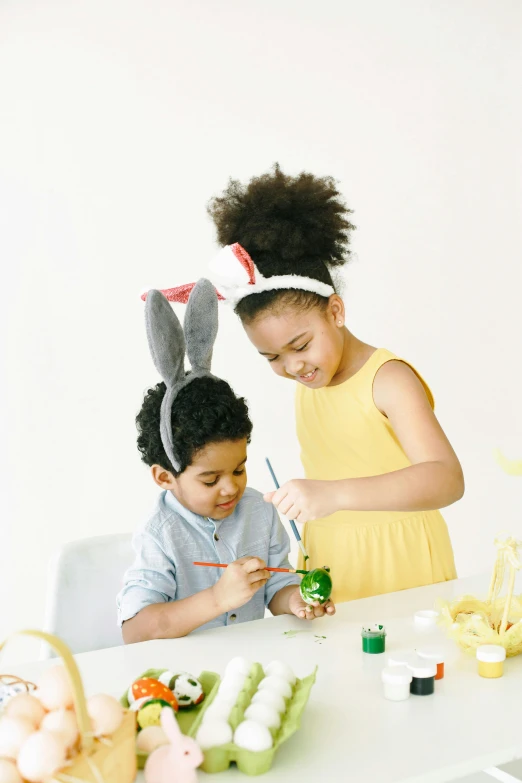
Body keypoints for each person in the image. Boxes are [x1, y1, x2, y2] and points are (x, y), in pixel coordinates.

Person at [156, 166, 464, 603]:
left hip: (401, 565)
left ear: (335, 311)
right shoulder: (310, 384)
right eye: (272, 358)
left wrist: (334, 494)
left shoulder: (388, 379)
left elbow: (447, 479)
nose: (292, 366)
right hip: (333, 562)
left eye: (299, 345)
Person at [119, 280, 335, 642]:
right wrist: (218, 598)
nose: (231, 486)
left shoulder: (259, 512)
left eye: (239, 468)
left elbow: (276, 585)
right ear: (164, 477)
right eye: (210, 479)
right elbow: (136, 631)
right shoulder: (160, 534)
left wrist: (296, 600)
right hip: (184, 678)